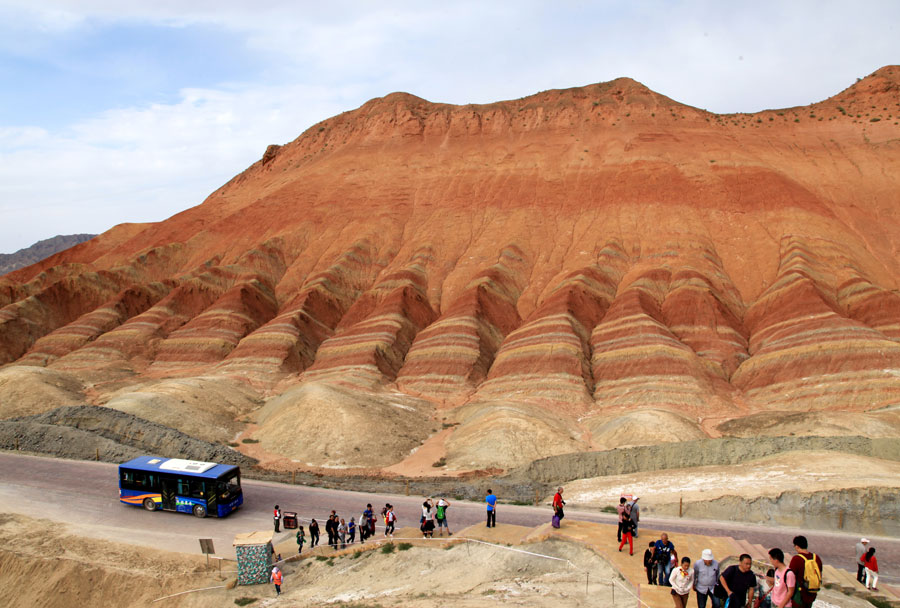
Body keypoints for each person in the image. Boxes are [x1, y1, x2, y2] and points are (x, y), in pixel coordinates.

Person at [788, 535, 822, 608]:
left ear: (797, 546)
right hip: (812, 593)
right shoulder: (816, 558)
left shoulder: (796, 559)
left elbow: (790, 576)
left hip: (799, 596)